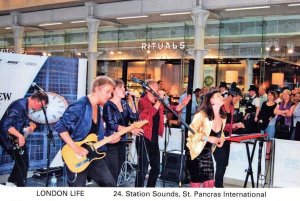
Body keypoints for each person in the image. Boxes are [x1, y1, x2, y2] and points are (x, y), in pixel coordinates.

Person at [54, 76, 117, 187]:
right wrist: (76, 148)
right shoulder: (80, 105)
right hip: (75, 155)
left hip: (93, 154)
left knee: (110, 184)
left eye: (111, 93)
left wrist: (108, 139)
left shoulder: (97, 107)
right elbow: (60, 126)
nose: (110, 96)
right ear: (97, 89)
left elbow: (92, 135)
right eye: (107, 92)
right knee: (78, 191)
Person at [0, 91, 49, 186]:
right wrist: (20, 136)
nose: (41, 108)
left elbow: (19, 120)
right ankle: (19, 186)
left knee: (21, 160)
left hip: (12, 137)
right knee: (23, 162)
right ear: (36, 101)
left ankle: (11, 182)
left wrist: (30, 124)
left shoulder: (24, 106)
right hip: (6, 137)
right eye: (42, 105)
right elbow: (5, 124)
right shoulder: (19, 106)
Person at [102, 79, 143, 182]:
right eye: (121, 87)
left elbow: (133, 117)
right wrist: (130, 130)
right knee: (112, 173)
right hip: (111, 142)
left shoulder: (124, 103)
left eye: (124, 87)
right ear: (113, 90)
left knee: (117, 172)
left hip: (122, 141)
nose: (124, 89)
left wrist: (134, 101)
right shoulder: (108, 105)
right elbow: (111, 124)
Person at [186, 90, 226, 188]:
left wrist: (222, 139)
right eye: (219, 95)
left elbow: (221, 133)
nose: (222, 97)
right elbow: (191, 133)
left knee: (210, 185)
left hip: (207, 155)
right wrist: (207, 138)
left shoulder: (223, 117)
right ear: (211, 100)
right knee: (196, 185)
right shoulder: (201, 115)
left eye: (221, 95)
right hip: (195, 153)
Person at [213, 83, 244, 188]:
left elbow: (228, 125)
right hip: (217, 138)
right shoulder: (220, 106)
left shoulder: (231, 107)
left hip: (226, 139)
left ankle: (218, 185)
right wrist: (234, 125)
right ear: (232, 96)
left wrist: (233, 127)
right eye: (237, 99)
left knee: (224, 163)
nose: (237, 102)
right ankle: (218, 187)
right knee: (221, 163)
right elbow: (219, 125)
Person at [135, 79, 165, 187]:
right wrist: (159, 101)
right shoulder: (143, 101)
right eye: (155, 86)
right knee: (142, 169)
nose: (157, 88)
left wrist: (183, 104)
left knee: (156, 168)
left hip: (154, 138)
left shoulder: (157, 101)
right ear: (148, 89)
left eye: (157, 86)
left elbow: (171, 109)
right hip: (144, 137)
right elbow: (148, 115)